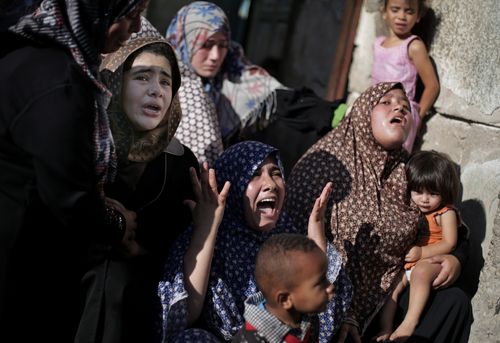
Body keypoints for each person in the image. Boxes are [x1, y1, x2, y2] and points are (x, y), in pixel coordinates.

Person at [0, 0, 148, 341]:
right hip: (18, 271)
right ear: (98, 13)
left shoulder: (30, 58)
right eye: (130, 16)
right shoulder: (58, 82)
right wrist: (116, 224)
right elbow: (68, 198)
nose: (137, 28)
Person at [285, 82, 472, 343]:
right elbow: (290, 243)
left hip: (387, 302)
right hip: (326, 302)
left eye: (406, 106)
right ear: (363, 112)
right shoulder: (325, 163)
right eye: (386, 102)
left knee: (453, 302)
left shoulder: (409, 172)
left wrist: (456, 259)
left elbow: (448, 219)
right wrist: (341, 307)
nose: (399, 107)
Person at [74, 17, 200, 343]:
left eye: (166, 82)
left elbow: (177, 246)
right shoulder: (83, 144)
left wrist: (138, 247)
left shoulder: (182, 164)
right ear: (116, 83)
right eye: (142, 77)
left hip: (136, 313)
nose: (156, 90)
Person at [158, 140, 352, 343]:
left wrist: (316, 245)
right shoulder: (210, 233)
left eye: (275, 173)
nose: (270, 184)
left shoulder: (288, 235)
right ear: (231, 185)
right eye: (254, 174)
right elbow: (184, 316)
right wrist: (207, 230)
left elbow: (319, 315)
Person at [375, 150, 463, 342]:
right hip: (409, 263)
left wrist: (423, 252)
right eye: (418, 192)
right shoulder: (409, 209)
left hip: (430, 261)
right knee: (392, 288)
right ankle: (386, 328)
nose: (424, 199)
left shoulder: (445, 213)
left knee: (420, 273)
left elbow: (449, 242)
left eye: (433, 193)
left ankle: (410, 322)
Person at [232, 233, 335, 343]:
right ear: (285, 300)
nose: (331, 287)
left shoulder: (305, 316)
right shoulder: (252, 340)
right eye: (320, 282)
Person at [371, 0, 440, 152]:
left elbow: (432, 86)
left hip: (399, 117)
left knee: (393, 160)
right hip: (378, 111)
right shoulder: (378, 44)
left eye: (409, 12)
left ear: (418, 16)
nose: (402, 16)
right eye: (395, 9)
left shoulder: (413, 46)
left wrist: (417, 118)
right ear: (384, 12)